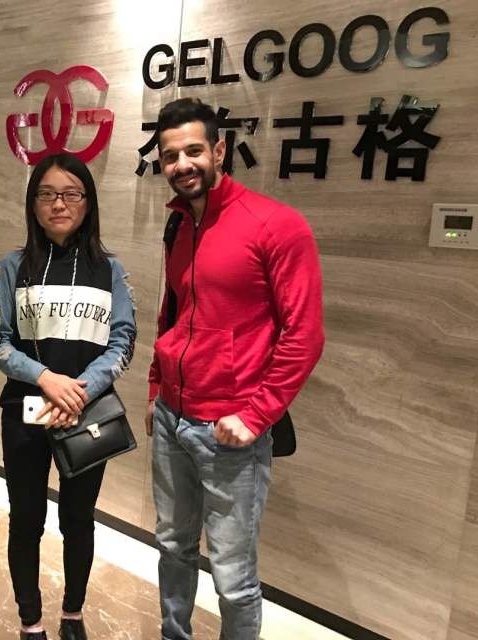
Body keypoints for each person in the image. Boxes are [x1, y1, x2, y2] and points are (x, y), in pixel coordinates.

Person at [145, 98, 325, 640]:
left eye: (193, 150)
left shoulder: (276, 225)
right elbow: (172, 313)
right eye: (170, 155)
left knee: (233, 578)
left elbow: (305, 335)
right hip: (172, 420)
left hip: (229, 431)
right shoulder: (179, 224)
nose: (182, 164)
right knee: (172, 547)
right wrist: (156, 389)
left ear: (219, 150)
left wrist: (256, 414)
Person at [0, 152, 136, 640]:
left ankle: (72, 614)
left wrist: (81, 389)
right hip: (24, 413)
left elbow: (124, 340)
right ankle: (30, 621)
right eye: (47, 194)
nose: (59, 204)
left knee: (78, 519)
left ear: (88, 203)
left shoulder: (110, 270)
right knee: (26, 520)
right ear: (33, 203)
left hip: (87, 415)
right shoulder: (13, 266)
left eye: (71, 194)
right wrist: (46, 378)